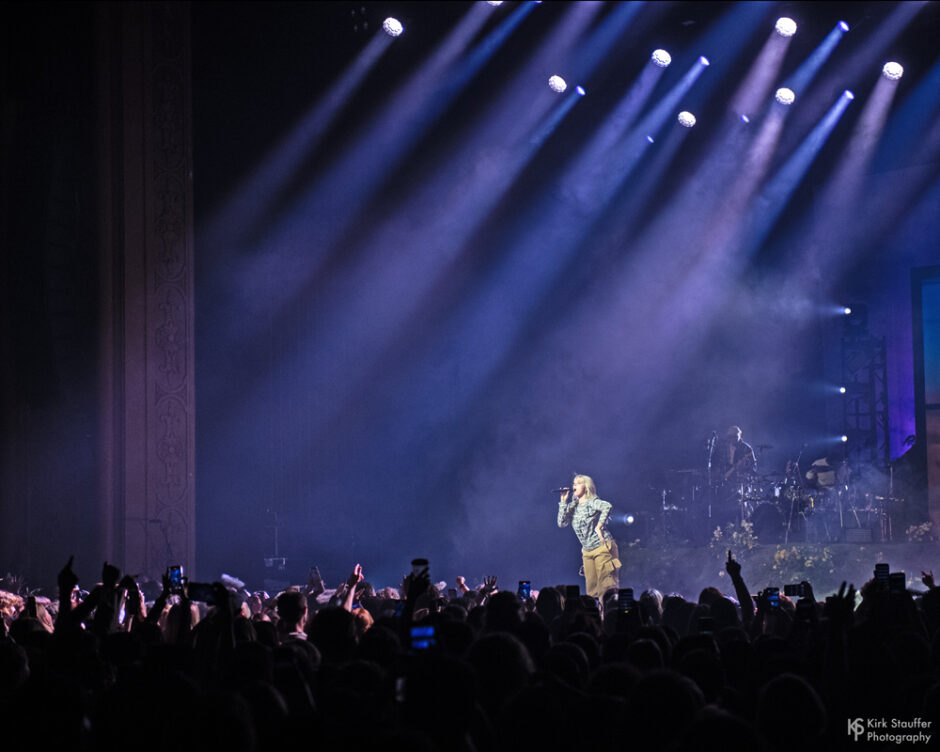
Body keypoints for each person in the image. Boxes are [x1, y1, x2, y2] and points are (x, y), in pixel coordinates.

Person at [557, 474, 621, 600]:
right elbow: (561, 523)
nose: (574, 485)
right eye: (574, 483)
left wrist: (599, 526)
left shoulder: (592, 502)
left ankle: (609, 611)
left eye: (578, 483)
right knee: (591, 590)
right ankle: (594, 612)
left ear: (586, 487)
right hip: (587, 551)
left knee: (606, 587)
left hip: (602, 547)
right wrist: (563, 502)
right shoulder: (573, 506)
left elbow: (607, 506)